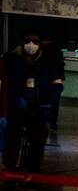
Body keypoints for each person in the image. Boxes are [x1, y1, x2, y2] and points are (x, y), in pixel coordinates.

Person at [2, 32, 58, 172]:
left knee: (37, 140)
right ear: (22, 42)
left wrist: (50, 102)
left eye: (35, 42)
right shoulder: (11, 59)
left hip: (38, 108)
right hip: (16, 107)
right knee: (12, 138)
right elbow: (5, 82)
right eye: (28, 41)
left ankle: (32, 170)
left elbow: (56, 84)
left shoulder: (46, 61)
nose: (31, 45)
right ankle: (10, 169)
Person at [40, 38, 64, 134]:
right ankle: (51, 122)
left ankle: (48, 121)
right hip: (54, 81)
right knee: (53, 104)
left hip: (49, 81)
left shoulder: (42, 54)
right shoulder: (56, 52)